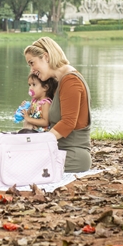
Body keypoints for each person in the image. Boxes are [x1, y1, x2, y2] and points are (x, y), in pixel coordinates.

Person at [23, 37, 92, 172]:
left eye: (32, 63)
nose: (31, 70)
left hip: (71, 155)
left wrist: (37, 143)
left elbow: (67, 123)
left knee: (21, 165)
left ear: (46, 57)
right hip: (57, 150)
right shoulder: (59, 81)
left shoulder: (71, 81)